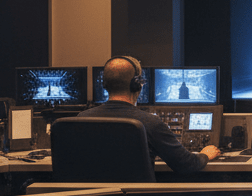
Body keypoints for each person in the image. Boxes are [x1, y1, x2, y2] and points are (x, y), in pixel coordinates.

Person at [78, 56, 220, 173]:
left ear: (104, 85)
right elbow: (186, 164)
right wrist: (205, 155)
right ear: (137, 85)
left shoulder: (81, 120)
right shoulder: (150, 123)